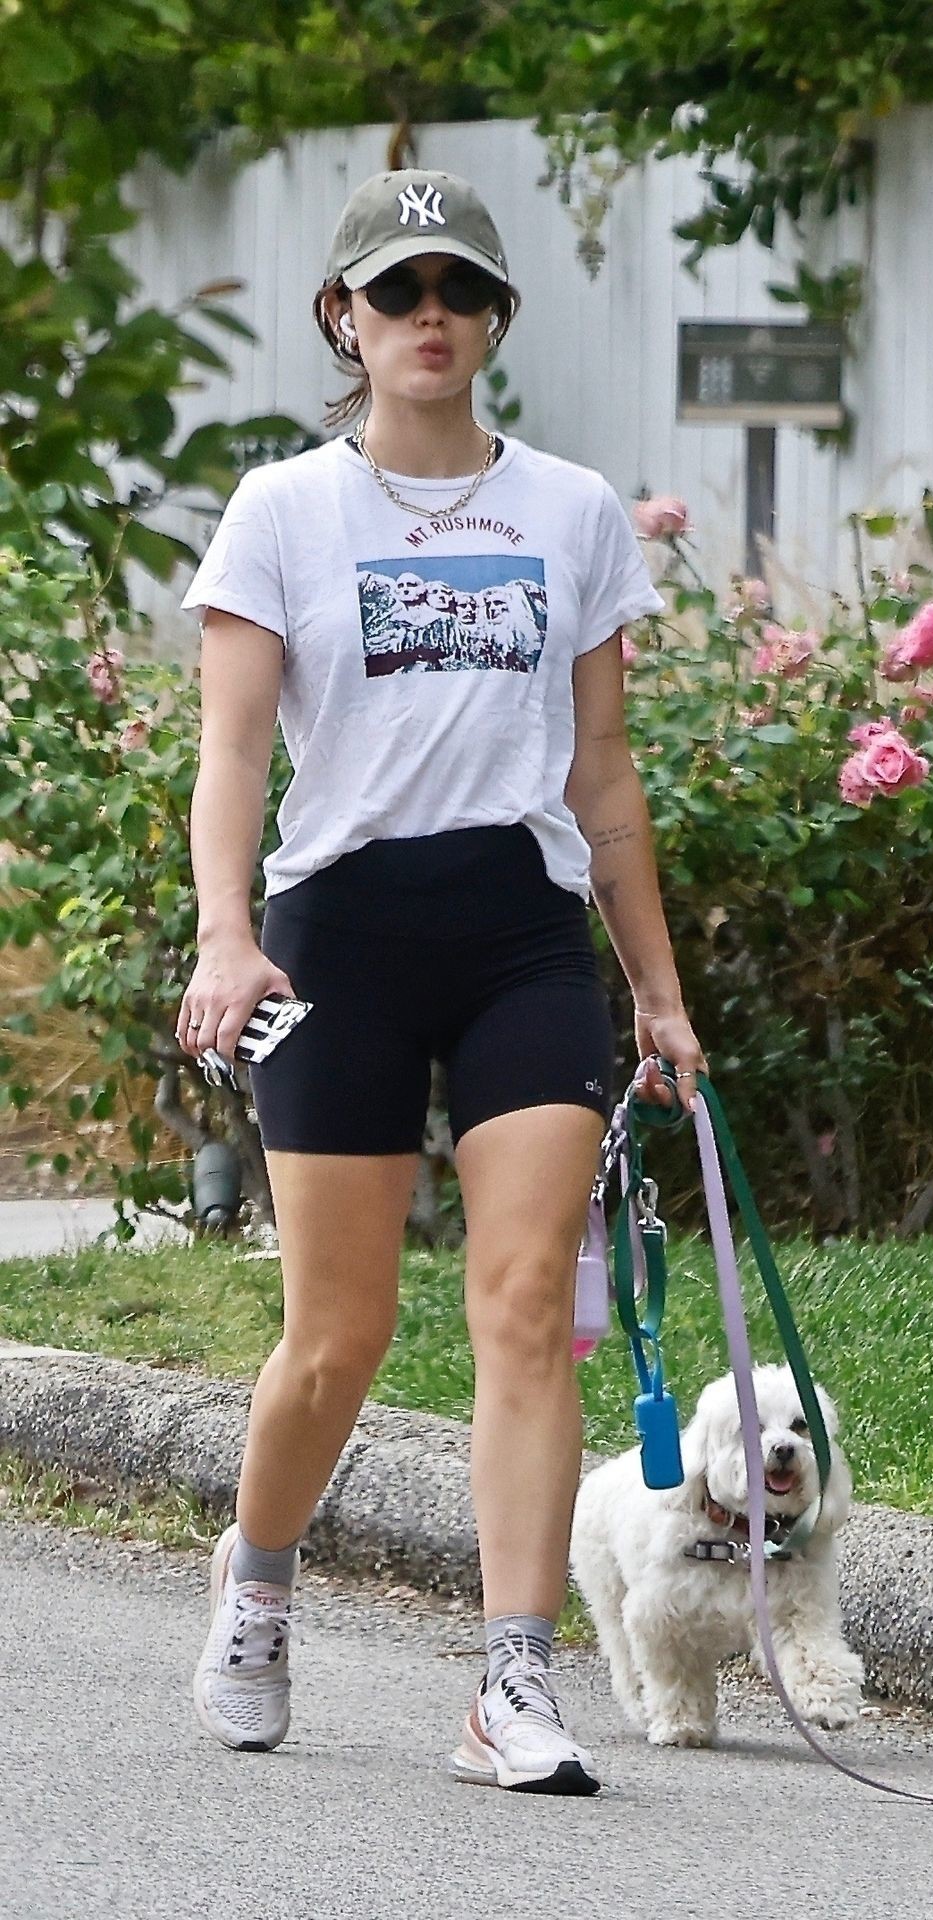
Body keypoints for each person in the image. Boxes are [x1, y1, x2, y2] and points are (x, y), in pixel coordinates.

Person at [174, 167, 710, 1795]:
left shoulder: (571, 510)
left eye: (459, 290)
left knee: (529, 1306)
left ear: (494, 320)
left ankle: (512, 1683)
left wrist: (658, 992)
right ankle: (259, 1582)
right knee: (338, 1336)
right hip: (333, 937)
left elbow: (604, 775)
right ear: (345, 317)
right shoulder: (283, 510)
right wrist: (226, 933)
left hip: (519, 934)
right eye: (397, 291)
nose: (430, 316)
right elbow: (234, 751)